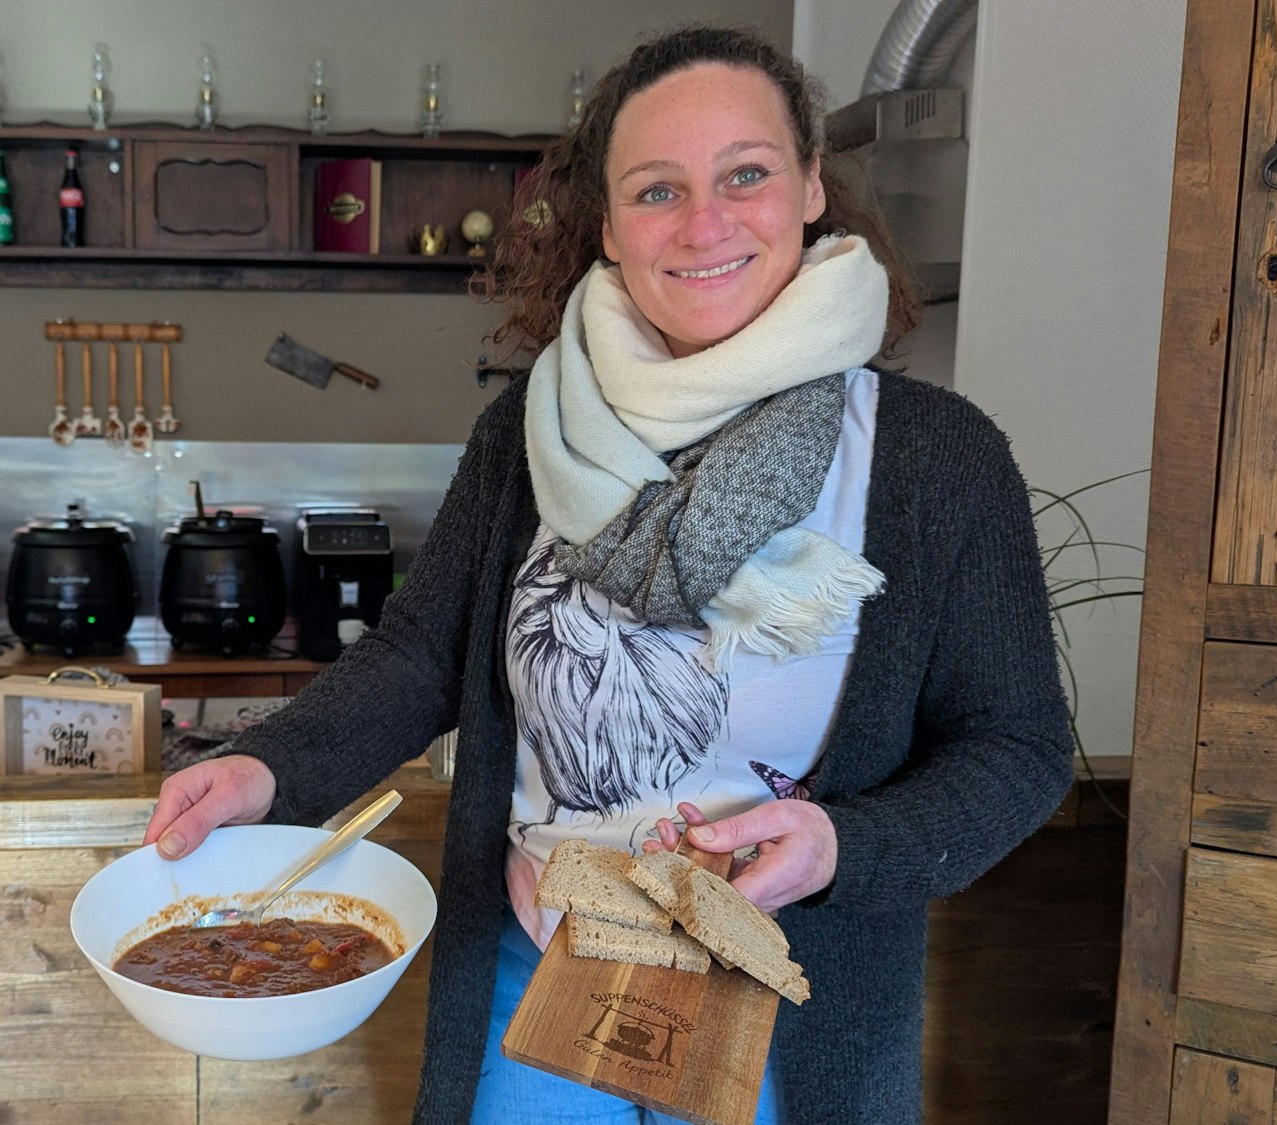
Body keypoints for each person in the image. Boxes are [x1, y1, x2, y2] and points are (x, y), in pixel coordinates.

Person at [143, 25, 1072, 1125]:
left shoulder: (934, 458)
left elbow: (1017, 746)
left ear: (812, 186)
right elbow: (423, 653)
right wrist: (268, 769)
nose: (703, 223)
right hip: (536, 973)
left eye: (745, 174)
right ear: (608, 226)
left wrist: (840, 847)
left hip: (787, 1004)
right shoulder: (527, 434)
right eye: (656, 189)